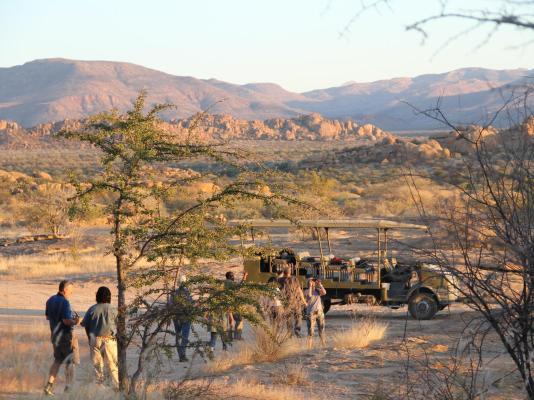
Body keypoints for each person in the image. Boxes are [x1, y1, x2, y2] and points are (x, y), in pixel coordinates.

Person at [44, 280, 80, 396]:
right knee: (70, 362)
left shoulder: (50, 300)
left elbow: (47, 317)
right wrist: (76, 321)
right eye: (70, 291)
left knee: (57, 360)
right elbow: (66, 321)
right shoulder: (65, 302)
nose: (71, 293)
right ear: (65, 290)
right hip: (65, 336)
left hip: (55, 335)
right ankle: (69, 389)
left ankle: (49, 386)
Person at [81, 286, 119, 389]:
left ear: (97, 296)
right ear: (109, 296)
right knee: (112, 367)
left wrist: (90, 338)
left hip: (95, 340)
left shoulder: (92, 309)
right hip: (109, 340)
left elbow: (86, 325)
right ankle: (116, 389)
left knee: (97, 368)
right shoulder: (113, 308)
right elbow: (119, 325)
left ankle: (99, 390)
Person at [277, 265, 306, 337]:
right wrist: (304, 301)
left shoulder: (280, 280)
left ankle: (289, 332)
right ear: (290, 272)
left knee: (288, 317)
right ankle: (297, 330)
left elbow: (277, 279)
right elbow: (299, 291)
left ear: (284, 272)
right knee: (298, 316)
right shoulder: (294, 279)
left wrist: (282, 273)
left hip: (286, 302)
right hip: (295, 301)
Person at [169, 275, 192, 362]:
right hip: (185, 317)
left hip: (176, 317)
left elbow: (170, 304)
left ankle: (181, 355)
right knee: (184, 336)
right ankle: (182, 354)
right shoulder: (187, 292)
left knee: (178, 335)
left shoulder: (174, 293)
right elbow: (190, 304)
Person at [224, 270, 248, 340]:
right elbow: (240, 286)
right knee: (239, 320)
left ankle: (229, 337)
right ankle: (237, 337)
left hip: (227, 304)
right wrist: (244, 276)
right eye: (233, 275)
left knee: (230, 321)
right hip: (233, 305)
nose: (233, 277)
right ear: (230, 276)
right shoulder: (230, 282)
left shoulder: (225, 282)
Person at [304, 276, 327, 348]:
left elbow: (324, 292)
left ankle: (324, 346)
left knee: (321, 331)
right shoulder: (306, 291)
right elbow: (310, 296)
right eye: (311, 281)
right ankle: (309, 348)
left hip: (319, 313)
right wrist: (310, 286)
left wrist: (320, 284)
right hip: (311, 314)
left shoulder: (317, 290)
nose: (313, 282)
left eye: (313, 281)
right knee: (310, 333)